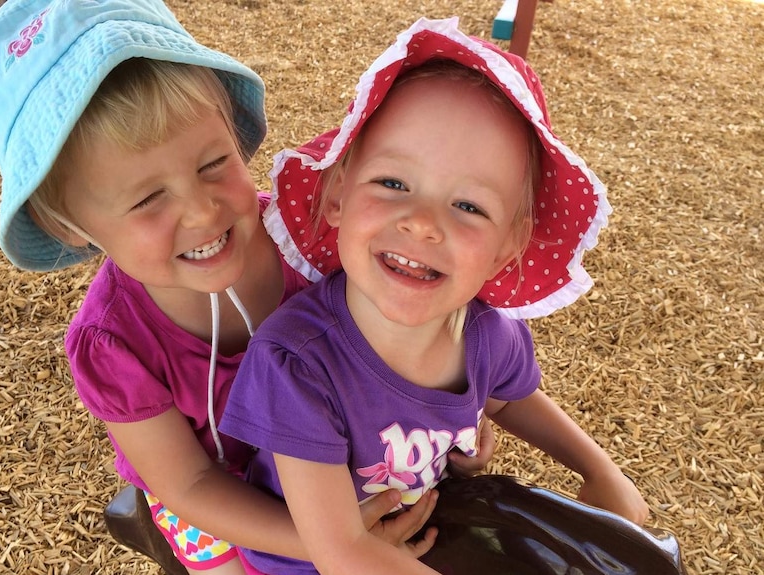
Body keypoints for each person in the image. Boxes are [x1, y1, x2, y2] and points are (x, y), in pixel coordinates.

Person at [0, 2, 492, 574]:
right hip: (218, 499)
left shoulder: (310, 237)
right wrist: (330, 541)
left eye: (214, 163)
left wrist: (451, 422)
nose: (202, 211)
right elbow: (190, 483)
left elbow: (400, 334)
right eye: (147, 199)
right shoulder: (113, 344)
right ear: (70, 226)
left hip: (333, 451)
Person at [220, 17, 650, 575]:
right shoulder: (296, 363)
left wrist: (599, 469)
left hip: (419, 531)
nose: (422, 225)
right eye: (393, 183)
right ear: (338, 197)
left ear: (506, 247)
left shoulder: (488, 333)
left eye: (469, 206)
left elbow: (511, 398)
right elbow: (340, 550)